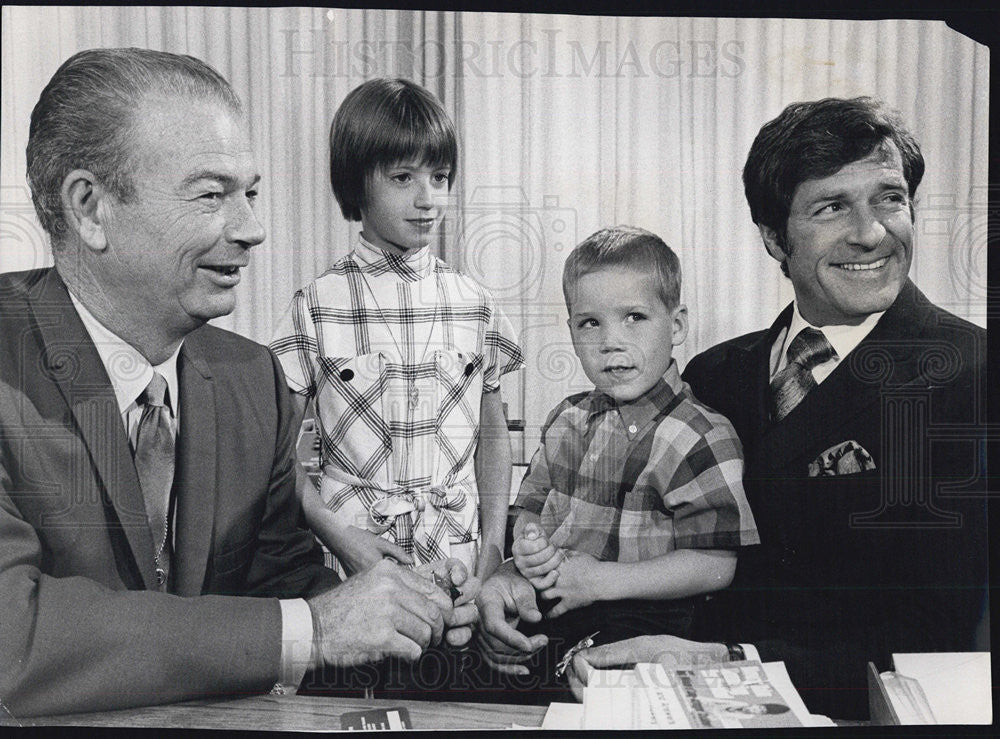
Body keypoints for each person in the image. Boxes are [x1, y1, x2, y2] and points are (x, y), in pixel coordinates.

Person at [0, 48, 473, 719]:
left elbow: (282, 590)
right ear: (90, 208)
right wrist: (317, 626)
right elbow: (13, 642)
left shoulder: (254, 381)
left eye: (250, 192)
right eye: (212, 194)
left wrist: (404, 607)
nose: (252, 230)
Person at [563, 97, 988, 719]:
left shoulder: (975, 376)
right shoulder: (712, 373)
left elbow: (942, 646)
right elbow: (644, 556)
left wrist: (729, 659)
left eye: (890, 198)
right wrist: (582, 644)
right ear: (772, 238)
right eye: (832, 206)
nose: (871, 232)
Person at [269, 78, 523, 584]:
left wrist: (492, 550)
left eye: (440, 176)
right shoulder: (317, 305)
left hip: (460, 561)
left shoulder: (474, 303)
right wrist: (338, 537)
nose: (427, 198)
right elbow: (273, 453)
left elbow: (493, 438)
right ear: (357, 184)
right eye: (403, 177)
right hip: (355, 562)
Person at [507, 226, 758, 693]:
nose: (611, 342)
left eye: (634, 317)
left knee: (581, 685)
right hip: (561, 601)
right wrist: (529, 546)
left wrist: (600, 581)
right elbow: (529, 512)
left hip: (648, 615)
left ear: (677, 325)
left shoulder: (699, 434)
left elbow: (716, 565)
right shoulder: (566, 419)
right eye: (590, 323)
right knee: (483, 659)